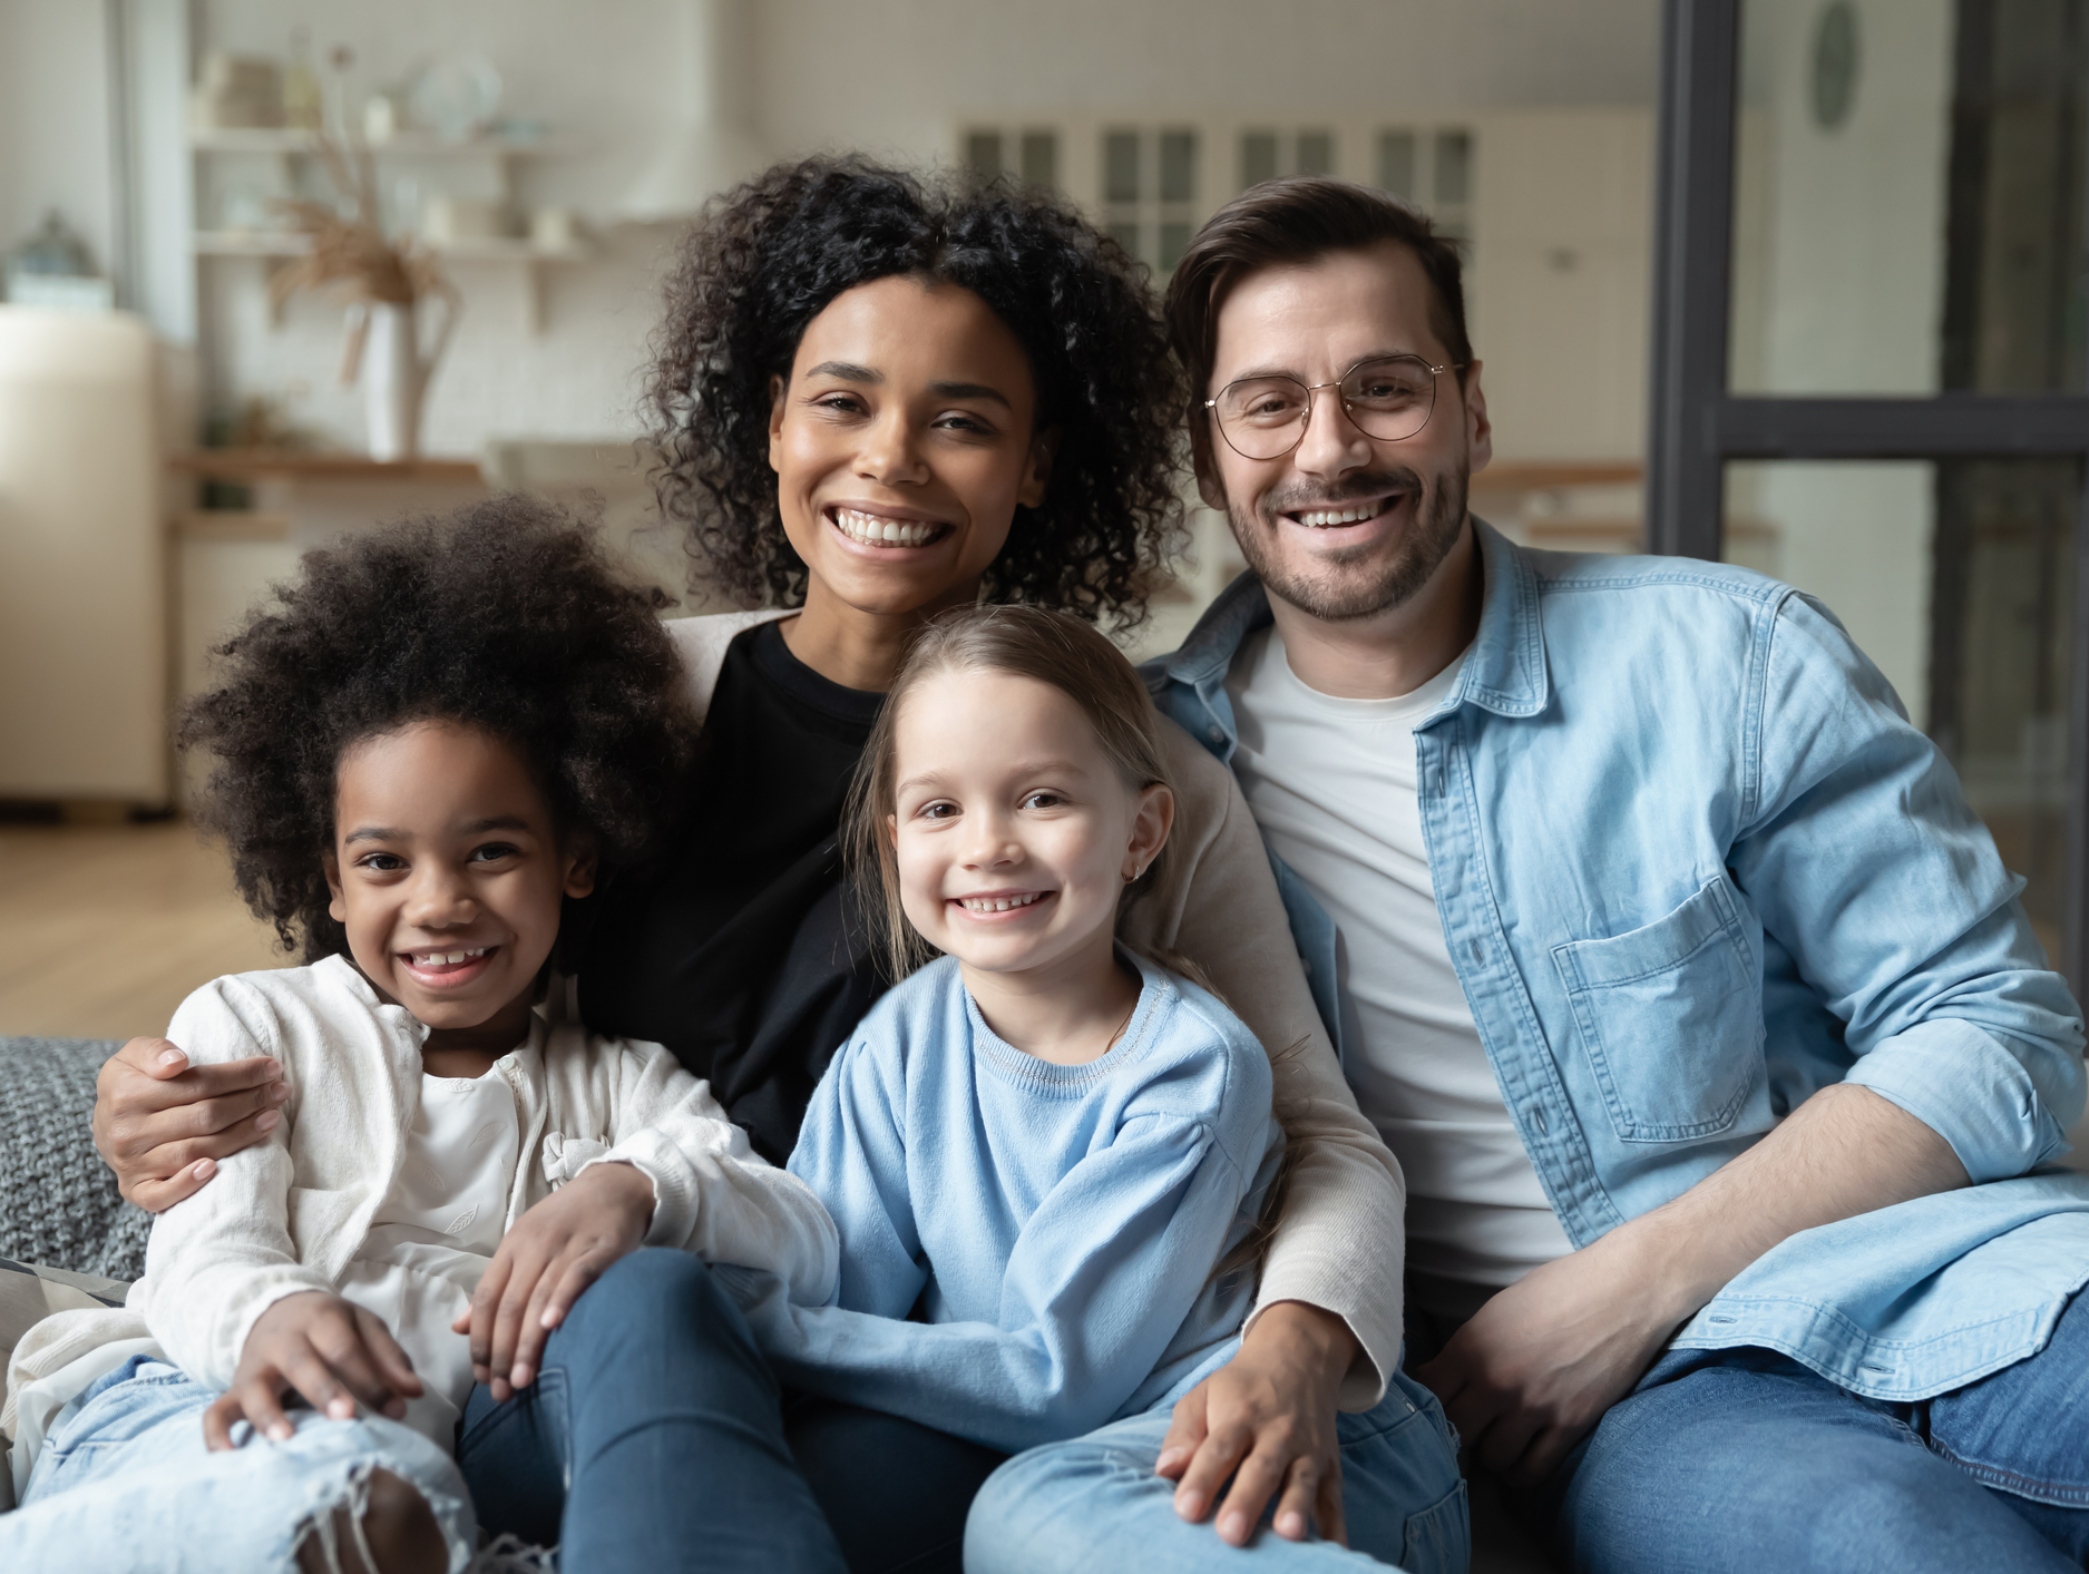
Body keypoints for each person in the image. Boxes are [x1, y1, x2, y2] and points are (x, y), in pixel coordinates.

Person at [86, 159, 1442, 1565]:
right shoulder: (617, 704)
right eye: (842, 401)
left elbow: (1318, 1131)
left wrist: (1294, 1344)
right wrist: (164, 1096)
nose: (892, 460)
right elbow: (406, 953)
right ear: (771, 424)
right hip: (608, 1327)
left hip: (924, 1368)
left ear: (1041, 462)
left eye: (964, 421)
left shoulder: (1124, 774)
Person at [1127, 176, 2089, 1573]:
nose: (1328, 448)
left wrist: (1626, 1282)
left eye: (1384, 386)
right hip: (1664, 1425)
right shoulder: (1145, 775)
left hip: (1944, 1274)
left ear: (1471, 405)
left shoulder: (1728, 659)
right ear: (1210, 448)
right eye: (1268, 402)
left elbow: (1996, 1027)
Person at [4, 505, 847, 1573]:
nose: (440, 903)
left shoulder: (620, 1080)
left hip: (419, 1472)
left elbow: (803, 1236)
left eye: (491, 850)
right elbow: (206, 1250)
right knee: (353, 1503)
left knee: (397, 1512)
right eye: (385, 862)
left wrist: (641, 1188)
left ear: (576, 856)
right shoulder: (259, 1025)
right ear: (328, 875)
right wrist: (272, 1310)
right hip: (189, 1396)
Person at [741, 602, 1463, 1574]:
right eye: (941, 807)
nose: (988, 844)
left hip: (1292, 1441)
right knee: (793, 1489)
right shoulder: (898, 1041)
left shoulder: (1194, 1067)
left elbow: (1052, 1379)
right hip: (1060, 1431)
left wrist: (744, 1316)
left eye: (1041, 798)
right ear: (893, 841)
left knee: (1029, 1508)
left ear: (1142, 829)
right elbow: (837, 1287)